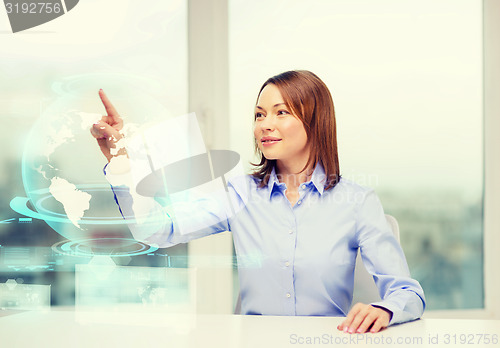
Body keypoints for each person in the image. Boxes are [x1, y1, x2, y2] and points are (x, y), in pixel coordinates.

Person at [91, 70, 425, 334]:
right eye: (259, 114)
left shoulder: (357, 202)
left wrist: (383, 309)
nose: (265, 125)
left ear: (315, 120)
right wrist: (122, 164)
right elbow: (157, 230)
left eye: (281, 113)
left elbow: (407, 293)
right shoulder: (239, 194)